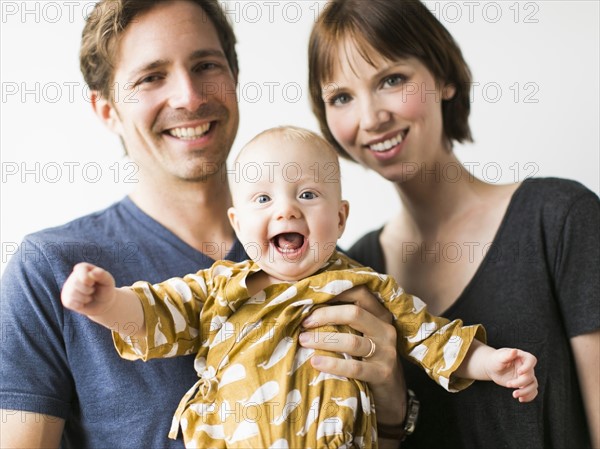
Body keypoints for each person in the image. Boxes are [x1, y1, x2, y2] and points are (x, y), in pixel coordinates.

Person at [0, 1, 405, 447]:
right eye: (151, 77)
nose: (190, 97)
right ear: (106, 109)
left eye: (205, 65)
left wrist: (391, 407)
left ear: (233, 79)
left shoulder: (322, 262)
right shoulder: (50, 271)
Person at [61, 126, 538, 448]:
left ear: (340, 216)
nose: (286, 210)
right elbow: (156, 313)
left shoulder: (364, 285)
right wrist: (107, 303)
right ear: (238, 222)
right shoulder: (221, 287)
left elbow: (430, 336)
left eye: (307, 195)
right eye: (263, 199)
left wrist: (491, 362)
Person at [307, 0, 600, 448]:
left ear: (443, 77)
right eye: (341, 97)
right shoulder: (348, 270)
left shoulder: (560, 219)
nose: (370, 118)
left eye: (391, 80)